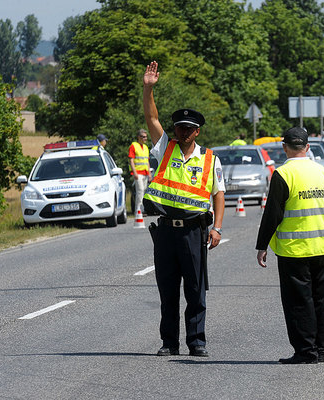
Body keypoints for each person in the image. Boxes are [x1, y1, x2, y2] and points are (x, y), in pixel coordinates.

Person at [142, 61, 225, 358]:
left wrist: (217, 229)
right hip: (166, 232)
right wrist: (148, 88)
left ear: (197, 131)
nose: (183, 132)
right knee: (168, 291)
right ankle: (169, 342)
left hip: (195, 232)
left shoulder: (209, 159)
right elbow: (151, 119)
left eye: (189, 128)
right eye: (179, 127)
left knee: (195, 290)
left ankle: (196, 341)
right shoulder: (166, 149)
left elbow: (219, 194)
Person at [255, 126, 324, 364]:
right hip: (320, 248)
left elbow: (273, 213)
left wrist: (262, 246)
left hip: (294, 250)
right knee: (319, 300)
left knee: (298, 302)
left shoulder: (283, 174)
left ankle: (305, 351)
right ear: (307, 147)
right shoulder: (322, 172)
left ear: (285, 147)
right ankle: (320, 349)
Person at [129, 129, 150, 214]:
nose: (145, 138)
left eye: (146, 137)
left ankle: (142, 209)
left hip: (145, 173)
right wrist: (134, 172)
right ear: (138, 137)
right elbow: (131, 160)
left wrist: (150, 174)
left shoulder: (145, 147)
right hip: (138, 173)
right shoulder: (134, 146)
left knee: (144, 191)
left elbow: (147, 161)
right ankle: (138, 210)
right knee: (140, 190)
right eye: (143, 137)